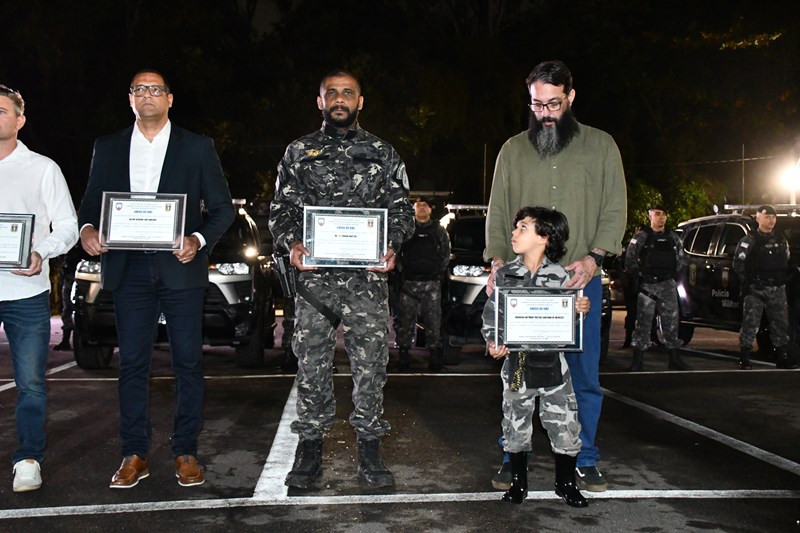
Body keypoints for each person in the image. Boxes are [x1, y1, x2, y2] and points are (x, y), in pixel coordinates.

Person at [78, 69, 235, 489]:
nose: (147, 94)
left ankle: (186, 450)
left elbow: (222, 209)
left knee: (188, 362)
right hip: (127, 268)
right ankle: (134, 453)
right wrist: (88, 230)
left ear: (169, 98)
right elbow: (91, 204)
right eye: (139, 89)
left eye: (155, 89)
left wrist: (198, 240)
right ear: (130, 98)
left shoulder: (197, 147)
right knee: (132, 363)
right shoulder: (108, 146)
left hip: (180, 267)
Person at [268, 69, 414, 490]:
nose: (339, 99)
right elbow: (280, 210)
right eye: (331, 93)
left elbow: (402, 209)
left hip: (367, 281)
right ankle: (310, 446)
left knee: (371, 366)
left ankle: (370, 448)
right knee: (311, 363)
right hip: (314, 282)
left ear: (360, 101)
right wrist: (293, 244)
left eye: (347, 93)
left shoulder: (383, 153)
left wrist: (392, 245)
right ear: (320, 101)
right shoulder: (299, 152)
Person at [485, 60, 626, 492]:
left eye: (553, 103)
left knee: (583, 376)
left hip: (578, 280)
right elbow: (497, 211)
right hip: (523, 286)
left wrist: (594, 258)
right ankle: (513, 457)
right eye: (537, 104)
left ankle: (585, 457)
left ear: (571, 97)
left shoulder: (601, 146)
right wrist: (496, 263)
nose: (545, 113)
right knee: (519, 373)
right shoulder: (512, 150)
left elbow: (615, 208)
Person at [482, 206, 589, 507]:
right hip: (517, 365)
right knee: (515, 424)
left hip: (554, 366)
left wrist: (579, 311)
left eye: (523, 228)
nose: (514, 233)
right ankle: (518, 484)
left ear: (544, 237)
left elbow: (567, 326)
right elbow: (492, 315)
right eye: (515, 227)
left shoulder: (562, 277)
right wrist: (493, 342)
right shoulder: (505, 275)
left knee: (565, 423)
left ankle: (566, 484)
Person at [0, 84, 79, 492]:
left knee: (30, 382)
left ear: (20, 120)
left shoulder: (43, 168)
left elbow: (68, 225)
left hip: (25, 293)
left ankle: (28, 458)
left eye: (1, 110)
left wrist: (40, 252)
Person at [733, 205, 800, 370]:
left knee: (780, 324)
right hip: (756, 288)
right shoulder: (749, 240)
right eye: (767, 216)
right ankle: (744, 357)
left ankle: (783, 357)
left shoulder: (780, 240)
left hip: (777, 288)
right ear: (758, 218)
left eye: (773, 217)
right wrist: (748, 282)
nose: (771, 220)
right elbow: (738, 263)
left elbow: (786, 260)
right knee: (751, 323)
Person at [625, 205, 690, 371]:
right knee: (643, 324)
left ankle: (674, 359)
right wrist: (641, 276)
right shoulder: (641, 237)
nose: (661, 217)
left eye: (664, 214)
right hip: (648, 287)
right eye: (657, 214)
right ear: (650, 217)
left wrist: (671, 276)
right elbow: (629, 260)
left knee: (671, 323)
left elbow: (682, 259)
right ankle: (637, 361)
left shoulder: (673, 237)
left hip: (667, 285)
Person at [394, 196, 451, 371]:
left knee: (434, 321)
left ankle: (435, 357)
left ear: (430, 209)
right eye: (418, 205)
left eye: (425, 205)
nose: (422, 208)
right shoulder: (407, 229)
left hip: (431, 283)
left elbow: (445, 254)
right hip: (409, 283)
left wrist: (437, 273)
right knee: (405, 321)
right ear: (414, 208)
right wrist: (402, 272)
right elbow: (397, 252)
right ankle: (403, 355)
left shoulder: (438, 231)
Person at [52, 243, 90, 351]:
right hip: (71, 275)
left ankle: (76, 340)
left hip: (79, 276)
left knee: (75, 308)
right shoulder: (73, 244)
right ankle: (67, 339)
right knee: (69, 308)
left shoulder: (78, 243)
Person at [620, 224, 647, 349]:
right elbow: (623, 264)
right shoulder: (630, 246)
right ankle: (629, 338)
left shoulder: (646, 246)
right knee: (632, 313)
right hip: (632, 284)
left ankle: (646, 338)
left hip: (643, 284)